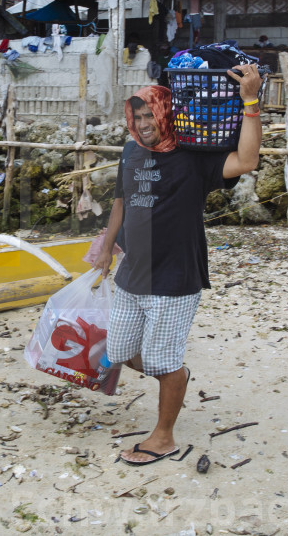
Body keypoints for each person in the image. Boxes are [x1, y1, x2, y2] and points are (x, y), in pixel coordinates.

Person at [93, 64, 262, 466]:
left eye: (150, 114)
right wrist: (106, 245)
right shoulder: (132, 149)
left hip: (175, 276)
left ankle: (164, 436)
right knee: (121, 352)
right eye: (137, 115)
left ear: (167, 113)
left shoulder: (194, 154)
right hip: (132, 272)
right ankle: (175, 378)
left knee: (163, 361)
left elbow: (247, 160)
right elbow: (121, 198)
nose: (143, 122)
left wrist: (251, 103)